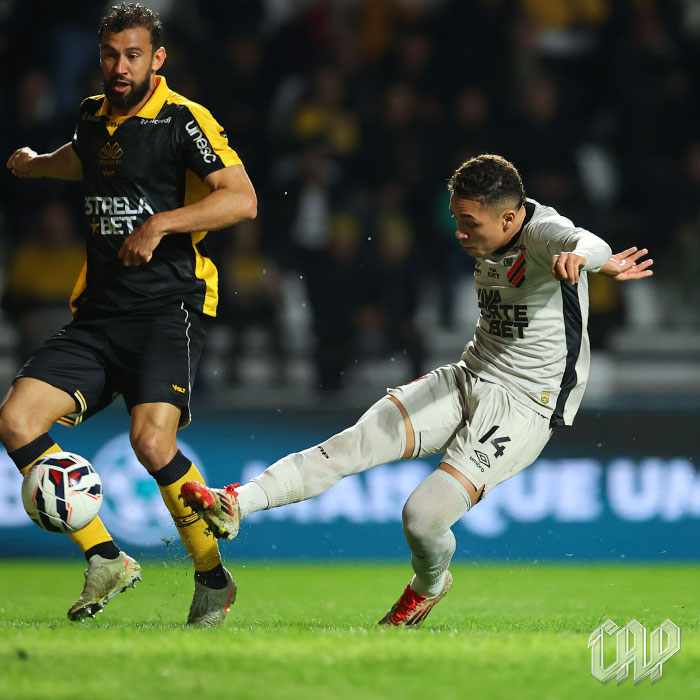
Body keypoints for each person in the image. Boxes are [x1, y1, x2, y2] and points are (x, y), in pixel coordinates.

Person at [180, 154, 653, 627]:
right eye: (456, 220)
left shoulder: (543, 232)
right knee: (352, 444)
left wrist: (583, 258)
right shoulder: (495, 232)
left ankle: (428, 587)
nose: (459, 233)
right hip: (470, 374)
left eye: (469, 223)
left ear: (510, 218)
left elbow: (586, 241)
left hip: (525, 403)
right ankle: (238, 503)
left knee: (422, 517)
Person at [1, 3, 257, 626]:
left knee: (150, 441)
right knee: (15, 420)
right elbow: (83, 156)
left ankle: (212, 578)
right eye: (111, 55)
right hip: (98, 315)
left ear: (157, 58)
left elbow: (241, 200)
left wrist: (161, 224)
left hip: (167, 308)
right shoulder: (92, 116)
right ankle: (106, 557)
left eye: (133, 55)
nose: (121, 67)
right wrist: (37, 164)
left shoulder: (182, 119)